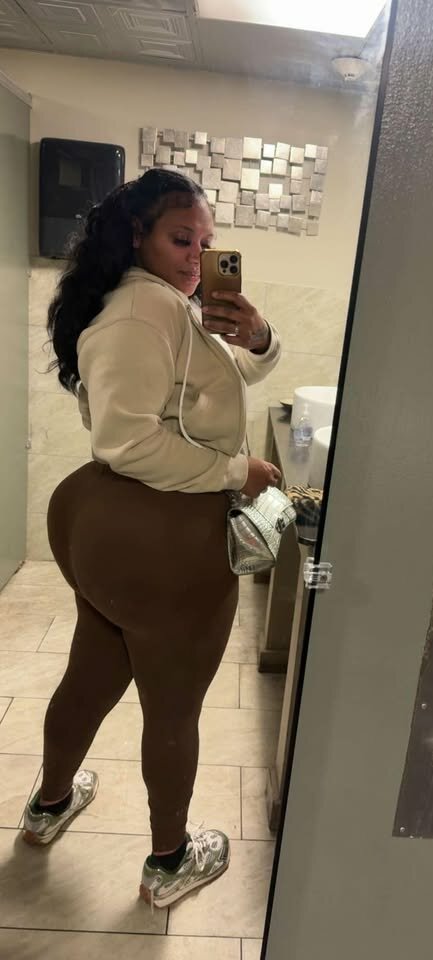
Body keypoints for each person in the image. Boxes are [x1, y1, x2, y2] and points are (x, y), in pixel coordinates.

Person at [22, 168, 282, 910]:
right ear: (137, 234)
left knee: (94, 670)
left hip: (108, 522)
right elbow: (130, 442)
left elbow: (209, 388)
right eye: (180, 239)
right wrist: (238, 471)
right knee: (173, 706)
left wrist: (257, 336)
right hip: (160, 531)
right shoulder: (144, 313)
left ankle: (48, 804)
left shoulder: (162, 304)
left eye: (205, 242)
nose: (197, 256)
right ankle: (170, 861)